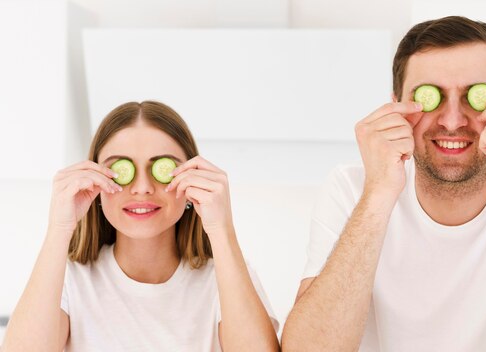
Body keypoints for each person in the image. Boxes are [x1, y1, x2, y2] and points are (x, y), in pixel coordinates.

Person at [282, 16, 486, 351]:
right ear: (396, 107)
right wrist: (378, 195)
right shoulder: (353, 187)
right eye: (432, 96)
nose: (452, 120)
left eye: (477, 95)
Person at [2, 101, 280, 351]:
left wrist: (221, 229)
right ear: (95, 181)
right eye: (122, 170)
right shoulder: (69, 278)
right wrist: (60, 228)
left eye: (162, 168)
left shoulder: (225, 276)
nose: (143, 188)